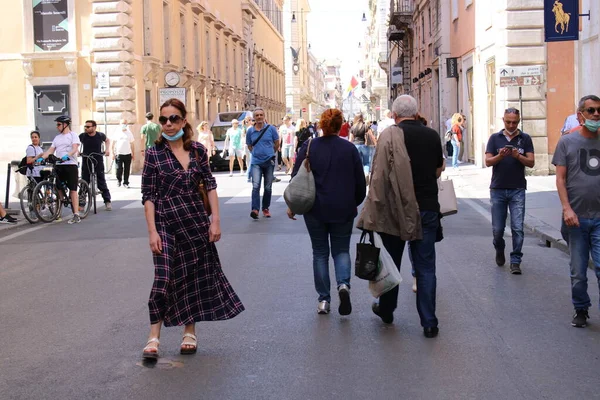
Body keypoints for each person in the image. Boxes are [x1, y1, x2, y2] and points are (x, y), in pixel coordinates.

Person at [140, 98, 244, 359]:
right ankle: (154, 337)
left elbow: (209, 185)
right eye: (163, 119)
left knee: (191, 279)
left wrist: (216, 220)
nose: (168, 124)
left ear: (184, 121)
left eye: (173, 118)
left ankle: (190, 331)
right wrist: (152, 231)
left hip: (195, 223)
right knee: (163, 279)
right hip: (165, 222)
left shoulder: (198, 150)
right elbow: (148, 195)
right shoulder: (153, 153)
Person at [358, 94, 442, 338]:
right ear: (416, 113)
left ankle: (387, 310)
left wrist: (372, 212)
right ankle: (429, 322)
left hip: (395, 211)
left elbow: (379, 177)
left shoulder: (388, 136)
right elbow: (438, 169)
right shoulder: (432, 135)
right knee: (425, 267)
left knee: (391, 262)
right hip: (426, 208)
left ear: (394, 115)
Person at [287, 108, 366, 315]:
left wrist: (292, 205)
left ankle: (323, 300)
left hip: (314, 208)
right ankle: (343, 285)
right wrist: (354, 202)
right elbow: (360, 183)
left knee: (320, 252)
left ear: (321, 125)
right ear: (341, 125)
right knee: (341, 250)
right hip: (343, 208)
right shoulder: (349, 149)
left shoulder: (309, 146)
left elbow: (296, 176)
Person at [552, 94, 600, 328]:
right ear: (580, 115)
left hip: (599, 218)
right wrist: (566, 209)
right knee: (579, 271)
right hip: (576, 219)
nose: (596, 115)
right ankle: (581, 309)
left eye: (599, 110)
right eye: (590, 111)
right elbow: (560, 180)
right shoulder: (567, 142)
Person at [484, 108, 535, 275]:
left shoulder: (525, 138)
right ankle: (499, 248)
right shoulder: (494, 138)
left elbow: (531, 162)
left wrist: (517, 156)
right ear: (503, 120)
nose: (511, 125)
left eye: (514, 122)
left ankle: (515, 260)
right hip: (498, 189)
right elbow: (488, 161)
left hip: (517, 189)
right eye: (508, 122)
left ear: (519, 121)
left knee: (517, 227)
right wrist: (501, 156)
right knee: (497, 229)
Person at [36, 115, 82, 224]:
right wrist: (42, 158)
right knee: (59, 189)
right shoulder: (57, 138)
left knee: (73, 190)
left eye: (59, 124)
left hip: (70, 164)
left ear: (65, 124)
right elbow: (51, 150)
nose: (57, 126)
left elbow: (75, 148)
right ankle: (58, 213)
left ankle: (76, 214)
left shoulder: (73, 135)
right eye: (57, 124)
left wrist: (67, 155)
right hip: (59, 165)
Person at [246, 107, 280, 219]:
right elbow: (249, 145)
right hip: (256, 162)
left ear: (264, 116)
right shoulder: (250, 131)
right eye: (257, 115)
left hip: (269, 161)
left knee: (268, 187)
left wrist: (271, 152)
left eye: (261, 115)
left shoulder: (271, 129)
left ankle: (265, 208)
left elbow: (276, 142)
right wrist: (256, 153)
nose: (259, 117)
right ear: (254, 118)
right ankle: (255, 209)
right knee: (255, 186)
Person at [79, 120, 112, 211]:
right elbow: (75, 144)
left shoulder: (100, 135)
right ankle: (81, 203)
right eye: (85, 126)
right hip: (86, 159)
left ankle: (107, 201)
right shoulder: (82, 136)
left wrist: (107, 150)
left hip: (98, 159)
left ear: (94, 127)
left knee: (101, 180)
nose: (86, 128)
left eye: (88, 127)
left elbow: (107, 140)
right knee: (84, 181)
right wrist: (78, 151)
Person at [112, 119, 135, 188]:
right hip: (119, 154)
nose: (123, 125)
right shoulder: (117, 132)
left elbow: (132, 144)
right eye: (122, 123)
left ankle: (126, 182)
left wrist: (133, 153)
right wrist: (113, 153)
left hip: (128, 154)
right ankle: (119, 180)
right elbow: (113, 144)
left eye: (125, 123)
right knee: (119, 169)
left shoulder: (129, 133)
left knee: (127, 169)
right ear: (120, 124)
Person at [242, 116, 254, 183]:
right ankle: (249, 174)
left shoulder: (244, 128)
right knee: (250, 160)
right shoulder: (250, 128)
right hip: (249, 145)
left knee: (248, 159)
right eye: (251, 120)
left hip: (246, 145)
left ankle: (248, 173)